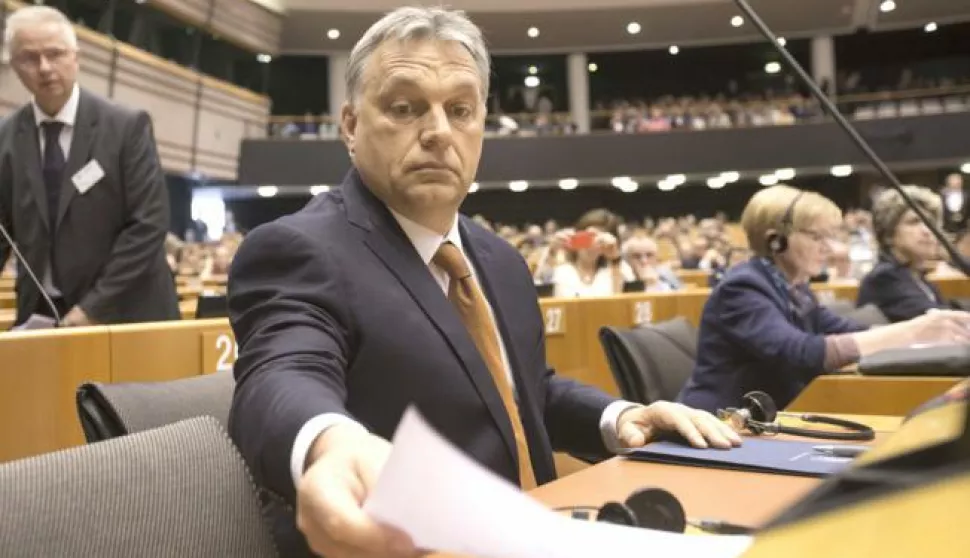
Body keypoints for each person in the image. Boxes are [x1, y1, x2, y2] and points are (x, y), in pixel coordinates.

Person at [227, 8, 740, 558]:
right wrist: (331, 442)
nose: (438, 132)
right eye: (404, 108)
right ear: (350, 126)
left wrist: (619, 418)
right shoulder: (299, 249)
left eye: (460, 110)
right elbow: (280, 373)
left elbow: (526, 394)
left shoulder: (499, 260)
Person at [678, 185, 970, 413]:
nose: (829, 249)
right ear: (775, 240)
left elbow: (847, 331)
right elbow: (801, 354)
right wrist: (913, 331)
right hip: (719, 424)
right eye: (818, 237)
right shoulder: (743, 287)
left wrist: (917, 332)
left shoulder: (795, 288)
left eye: (831, 237)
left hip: (769, 418)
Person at [0, 6, 178, 327]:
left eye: (55, 54)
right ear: (13, 65)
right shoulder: (6, 137)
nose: (44, 68)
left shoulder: (126, 127)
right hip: (43, 315)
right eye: (29, 58)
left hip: (126, 313)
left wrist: (92, 308)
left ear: (76, 57)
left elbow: (148, 224)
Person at [857, 186, 952, 322]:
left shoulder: (919, 279)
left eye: (930, 223)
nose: (927, 231)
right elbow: (940, 321)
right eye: (914, 222)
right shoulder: (883, 278)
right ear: (888, 235)